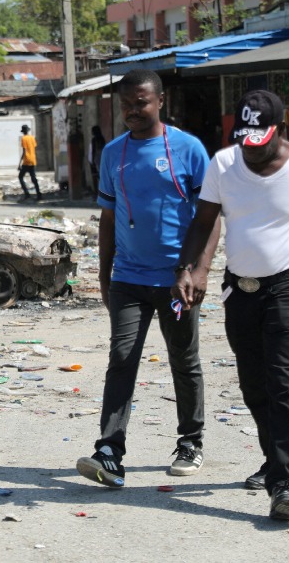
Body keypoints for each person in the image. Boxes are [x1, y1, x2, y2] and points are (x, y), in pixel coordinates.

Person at [171, 89, 289, 521]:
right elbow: (203, 222)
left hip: (288, 288)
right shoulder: (224, 164)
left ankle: (284, 484)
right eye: (244, 140)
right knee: (254, 386)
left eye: (260, 141)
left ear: (282, 130)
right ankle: (274, 460)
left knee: (284, 384)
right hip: (240, 292)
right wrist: (190, 269)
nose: (250, 151)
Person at [76, 68, 220, 489]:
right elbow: (107, 217)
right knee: (122, 359)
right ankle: (110, 451)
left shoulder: (188, 149)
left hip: (177, 282)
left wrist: (199, 271)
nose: (132, 111)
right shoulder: (113, 154)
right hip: (129, 280)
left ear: (160, 102)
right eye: (125, 105)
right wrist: (104, 273)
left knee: (183, 360)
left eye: (140, 102)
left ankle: (190, 442)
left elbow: (210, 219)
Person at [17, 124, 41, 202]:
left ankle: (27, 194)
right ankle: (39, 194)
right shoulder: (32, 138)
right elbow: (34, 148)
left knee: (20, 177)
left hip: (26, 161)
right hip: (33, 160)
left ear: (23, 131)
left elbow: (24, 152)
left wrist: (20, 163)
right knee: (34, 178)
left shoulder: (23, 139)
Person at [89, 125, 106, 199]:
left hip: (95, 160)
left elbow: (93, 151)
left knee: (94, 177)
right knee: (101, 178)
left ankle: (95, 194)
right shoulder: (102, 139)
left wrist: (92, 161)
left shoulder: (94, 140)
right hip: (101, 160)